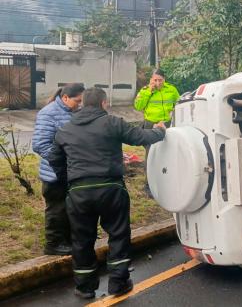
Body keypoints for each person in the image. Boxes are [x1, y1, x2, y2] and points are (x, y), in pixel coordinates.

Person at [48, 88, 166, 299]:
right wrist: (160, 131)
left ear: (83, 103)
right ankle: (118, 283)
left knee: (82, 239)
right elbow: (140, 137)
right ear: (104, 103)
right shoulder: (112, 123)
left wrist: (70, 180)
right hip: (111, 189)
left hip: (79, 193)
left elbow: (54, 159)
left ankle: (85, 288)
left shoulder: (65, 129)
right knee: (118, 234)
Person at [32, 83, 85, 255]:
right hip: (55, 173)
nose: (80, 104)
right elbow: (40, 144)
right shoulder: (49, 113)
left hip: (72, 171)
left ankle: (68, 240)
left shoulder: (73, 112)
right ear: (65, 98)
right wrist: (61, 163)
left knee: (69, 207)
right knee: (56, 209)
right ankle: (53, 244)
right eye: (77, 101)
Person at [134, 69, 179, 196]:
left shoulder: (171, 89)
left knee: (168, 152)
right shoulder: (144, 91)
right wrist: (149, 91)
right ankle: (149, 186)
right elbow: (138, 106)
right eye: (155, 80)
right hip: (151, 125)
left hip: (167, 124)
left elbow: (179, 102)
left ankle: (169, 180)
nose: (158, 82)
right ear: (151, 80)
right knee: (151, 155)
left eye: (160, 80)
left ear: (164, 80)